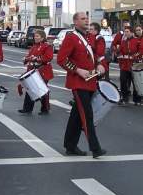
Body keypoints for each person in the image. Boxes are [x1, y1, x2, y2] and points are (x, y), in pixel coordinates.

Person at [57, 12, 107, 158]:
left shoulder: (89, 37)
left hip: (91, 81)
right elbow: (61, 59)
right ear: (75, 22)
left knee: (77, 116)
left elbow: (97, 56)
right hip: (78, 83)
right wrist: (77, 70)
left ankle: (70, 145)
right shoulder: (71, 37)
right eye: (83, 19)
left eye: (87, 18)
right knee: (87, 115)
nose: (86, 21)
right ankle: (95, 148)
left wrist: (101, 65)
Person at [18, 29, 54, 115]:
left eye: (37, 36)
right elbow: (29, 56)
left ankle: (45, 108)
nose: (35, 38)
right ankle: (27, 108)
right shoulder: (34, 46)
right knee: (30, 88)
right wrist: (26, 59)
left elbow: (48, 58)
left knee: (42, 90)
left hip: (43, 71)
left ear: (42, 37)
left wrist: (36, 59)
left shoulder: (47, 46)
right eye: (35, 36)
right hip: (33, 71)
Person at [117, 26, 141, 105]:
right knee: (123, 81)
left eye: (127, 31)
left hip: (134, 65)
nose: (125, 33)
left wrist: (134, 56)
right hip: (124, 65)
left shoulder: (137, 41)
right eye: (125, 32)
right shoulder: (123, 41)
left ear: (131, 32)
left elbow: (140, 51)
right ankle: (124, 98)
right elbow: (120, 51)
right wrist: (119, 53)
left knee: (135, 83)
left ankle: (136, 99)